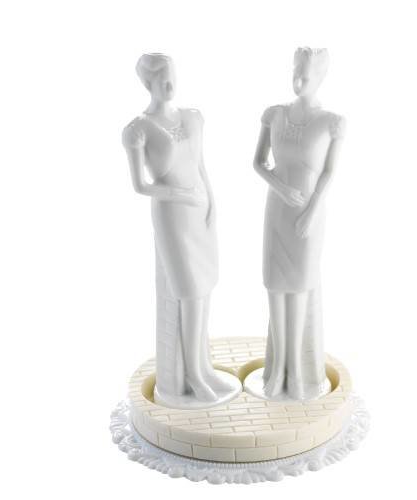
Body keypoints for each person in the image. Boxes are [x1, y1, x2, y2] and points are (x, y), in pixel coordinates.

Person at [122, 53, 234, 405]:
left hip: (200, 212)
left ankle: (203, 367)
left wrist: (212, 203)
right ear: (147, 83)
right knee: (188, 290)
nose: (169, 85)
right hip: (172, 215)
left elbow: (201, 166)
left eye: (172, 76)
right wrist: (179, 195)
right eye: (161, 80)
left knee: (205, 288)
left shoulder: (193, 117)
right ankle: (193, 376)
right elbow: (140, 185)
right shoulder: (138, 130)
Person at [253, 48, 346, 399]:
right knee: (275, 285)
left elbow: (328, 173)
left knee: (299, 287)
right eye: (296, 69)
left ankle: (296, 370)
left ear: (321, 75)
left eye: (307, 72)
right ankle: (277, 369)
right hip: (277, 211)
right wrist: (279, 187)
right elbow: (259, 162)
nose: (299, 78)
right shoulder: (274, 115)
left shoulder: (331, 122)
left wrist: (311, 211)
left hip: (309, 217)